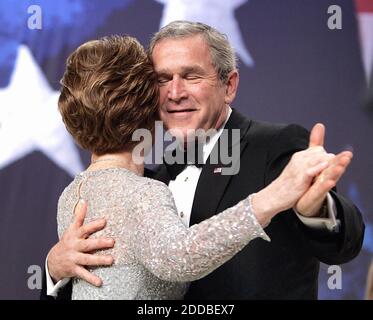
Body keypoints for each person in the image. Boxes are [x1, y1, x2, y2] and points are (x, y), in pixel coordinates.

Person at [41, 21, 364, 300]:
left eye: (191, 76)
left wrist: (314, 210)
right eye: (162, 79)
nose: (175, 92)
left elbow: (344, 245)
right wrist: (54, 269)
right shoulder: (142, 181)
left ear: (229, 85)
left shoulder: (273, 145)